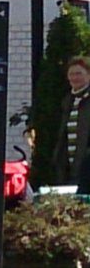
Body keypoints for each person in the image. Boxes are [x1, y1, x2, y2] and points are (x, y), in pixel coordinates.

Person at [52, 56, 90, 186]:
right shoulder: (68, 101)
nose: (74, 77)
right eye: (71, 74)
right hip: (69, 166)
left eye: (79, 73)